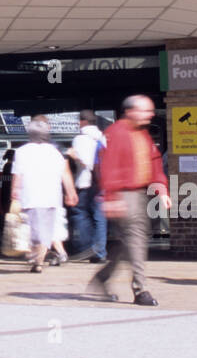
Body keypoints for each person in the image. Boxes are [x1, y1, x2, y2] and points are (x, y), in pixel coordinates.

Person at [89, 95, 169, 305]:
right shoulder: (115, 133)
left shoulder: (143, 134)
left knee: (130, 243)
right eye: (146, 111)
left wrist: (160, 185)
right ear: (131, 111)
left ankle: (102, 278)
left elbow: (154, 160)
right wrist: (111, 197)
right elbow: (108, 167)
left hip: (140, 194)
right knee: (136, 239)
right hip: (124, 194)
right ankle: (140, 289)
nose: (150, 114)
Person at [11, 118, 78, 273]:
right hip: (51, 197)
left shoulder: (22, 152)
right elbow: (65, 173)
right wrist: (71, 192)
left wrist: (14, 191)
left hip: (29, 196)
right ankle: (38, 261)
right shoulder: (54, 152)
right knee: (46, 231)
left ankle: (37, 260)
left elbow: (17, 175)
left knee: (33, 230)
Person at [68, 110, 107, 263]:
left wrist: (72, 155)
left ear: (82, 122)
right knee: (100, 217)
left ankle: (86, 248)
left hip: (85, 182)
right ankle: (100, 252)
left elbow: (85, 161)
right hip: (102, 183)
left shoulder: (80, 138)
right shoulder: (102, 137)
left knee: (79, 213)